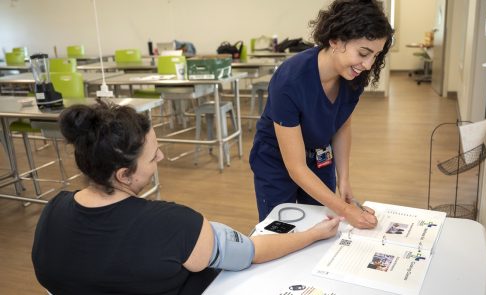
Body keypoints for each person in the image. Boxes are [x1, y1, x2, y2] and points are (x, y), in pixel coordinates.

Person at [31, 100, 341, 295]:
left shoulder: (52, 211)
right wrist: (313, 234)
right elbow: (253, 251)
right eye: (153, 157)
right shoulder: (175, 226)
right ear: (124, 175)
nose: (162, 157)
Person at [249, 0, 394, 228]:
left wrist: (344, 180)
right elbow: (296, 167)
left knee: (322, 225)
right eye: (363, 53)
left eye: (375, 56)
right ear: (335, 40)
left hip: (319, 155)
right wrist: (345, 209)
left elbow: (342, 126)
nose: (368, 65)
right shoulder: (290, 81)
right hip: (277, 161)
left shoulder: (353, 77)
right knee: (280, 229)